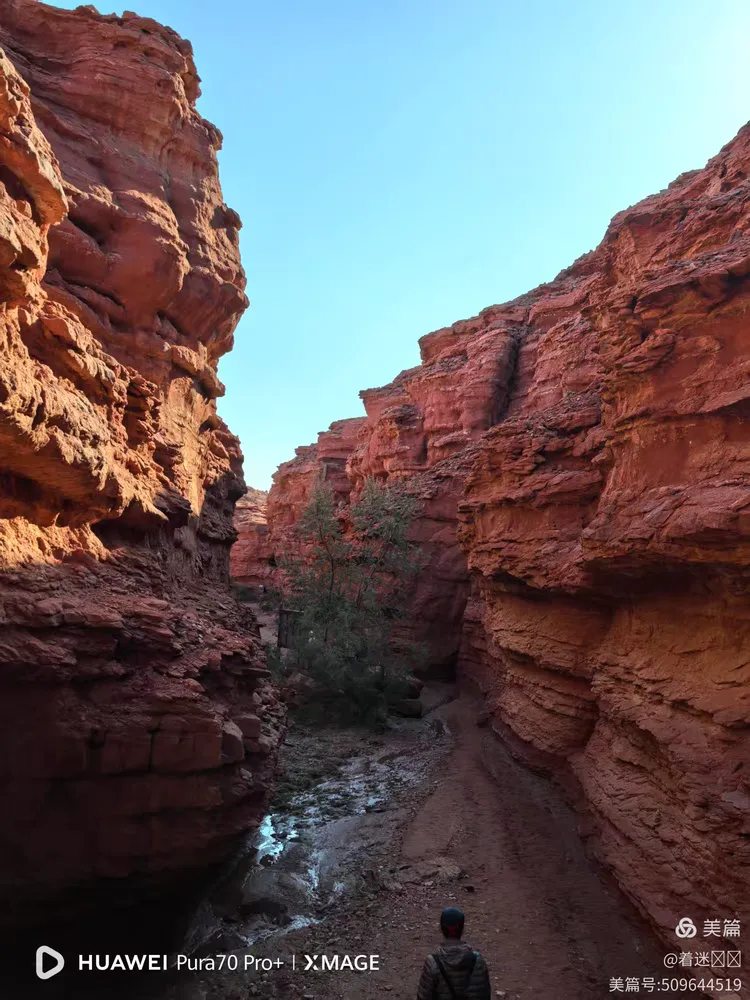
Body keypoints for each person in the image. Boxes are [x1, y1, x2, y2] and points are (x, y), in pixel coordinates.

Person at [416, 907, 491, 1000]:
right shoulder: (477, 960)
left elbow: (423, 997)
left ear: (441, 928)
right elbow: (485, 995)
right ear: (462, 928)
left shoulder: (432, 962)